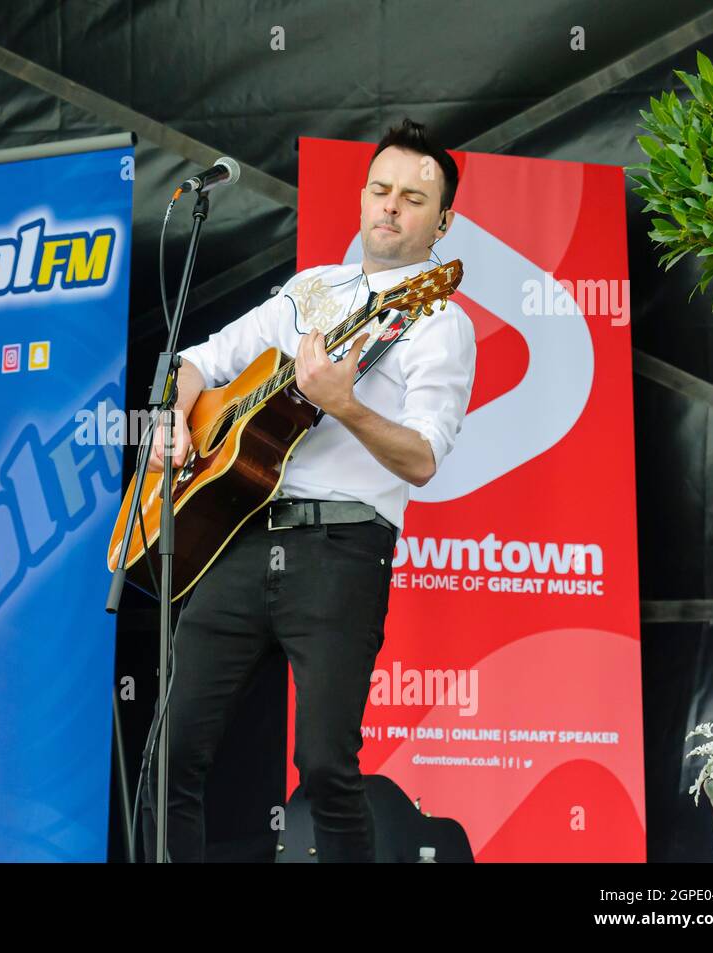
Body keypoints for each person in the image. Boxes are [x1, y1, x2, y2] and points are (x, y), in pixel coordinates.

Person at [143, 118, 476, 862]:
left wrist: (347, 402)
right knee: (171, 752)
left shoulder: (439, 322)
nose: (392, 207)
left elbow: (422, 458)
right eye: (381, 190)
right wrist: (174, 416)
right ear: (361, 197)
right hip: (243, 530)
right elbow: (200, 359)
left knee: (326, 764)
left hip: (344, 547)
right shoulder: (311, 289)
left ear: (442, 222)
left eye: (413, 199)